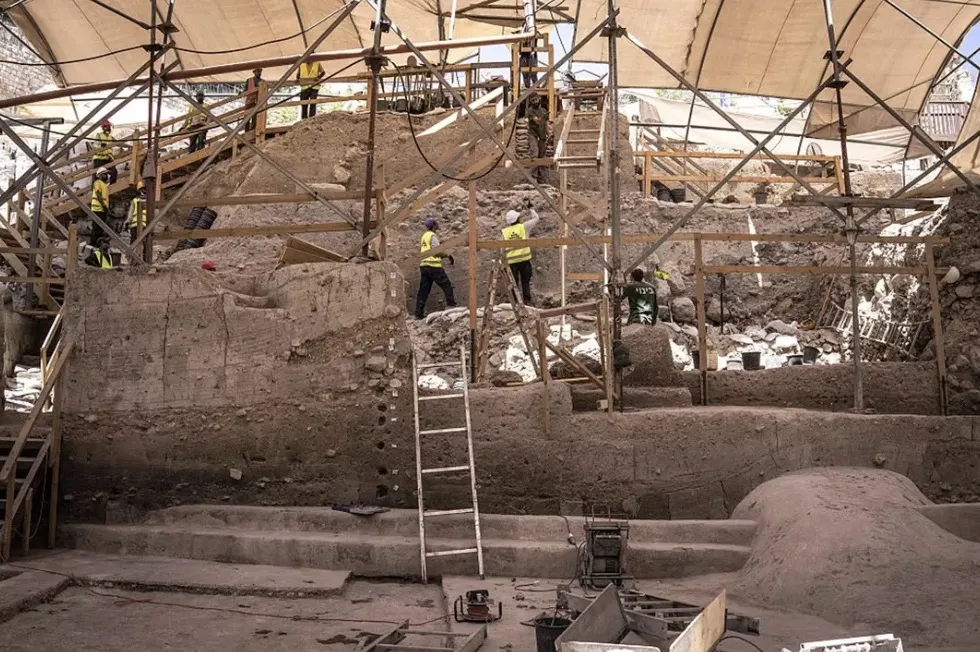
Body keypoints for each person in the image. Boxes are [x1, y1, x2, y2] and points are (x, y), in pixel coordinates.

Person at [415, 217, 457, 319]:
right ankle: (451, 306)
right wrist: (447, 255)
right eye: (436, 223)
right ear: (434, 225)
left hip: (424, 266)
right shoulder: (432, 236)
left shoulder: (424, 236)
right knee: (447, 285)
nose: (438, 225)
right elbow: (435, 251)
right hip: (433, 266)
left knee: (424, 290)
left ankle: (418, 313)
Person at [501, 199, 539, 306]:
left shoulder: (505, 232)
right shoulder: (524, 227)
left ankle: (515, 304)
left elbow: (501, 249)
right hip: (524, 260)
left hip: (512, 262)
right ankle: (527, 302)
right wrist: (530, 208)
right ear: (517, 219)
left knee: (514, 284)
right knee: (525, 282)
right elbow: (536, 218)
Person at [525, 93, 549, 180]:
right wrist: (538, 119)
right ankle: (532, 177)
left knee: (542, 155)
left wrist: (548, 132)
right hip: (533, 134)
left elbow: (546, 123)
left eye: (536, 99)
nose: (535, 102)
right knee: (534, 153)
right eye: (533, 100)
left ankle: (542, 177)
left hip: (542, 134)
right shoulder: (530, 111)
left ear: (539, 99)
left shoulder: (543, 110)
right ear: (531, 101)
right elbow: (536, 120)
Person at [90, 167, 111, 245]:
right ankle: (92, 244)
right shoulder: (97, 182)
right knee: (96, 228)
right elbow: (98, 195)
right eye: (105, 174)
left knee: (100, 228)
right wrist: (104, 206)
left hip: (101, 209)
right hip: (97, 209)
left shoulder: (104, 185)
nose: (107, 175)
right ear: (100, 175)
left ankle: (97, 244)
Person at [92, 119, 117, 184]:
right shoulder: (99, 135)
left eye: (108, 127)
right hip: (99, 159)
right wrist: (100, 145)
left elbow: (119, 143)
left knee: (114, 172)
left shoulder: (110, 137)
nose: (107, 128)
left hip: (108, 158)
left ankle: (112, 187)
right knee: (99, 175)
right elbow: (95, 145)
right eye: (105, 127)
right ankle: (96, 188)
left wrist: (129, 146)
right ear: (103, 128)